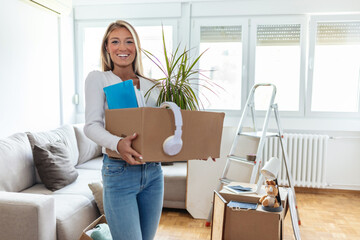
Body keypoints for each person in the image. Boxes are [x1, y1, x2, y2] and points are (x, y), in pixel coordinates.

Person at [84, 20, 163, 240]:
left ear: (136, 47)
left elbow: (163, 128)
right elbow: (91, 126)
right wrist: (118, 143)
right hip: (119, 172)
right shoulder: (98, 79)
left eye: (129, 41)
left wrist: (198, 147)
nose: (122, 47)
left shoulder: (152, 85)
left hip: (153, 173)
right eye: (115, 41)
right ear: (106, 48)